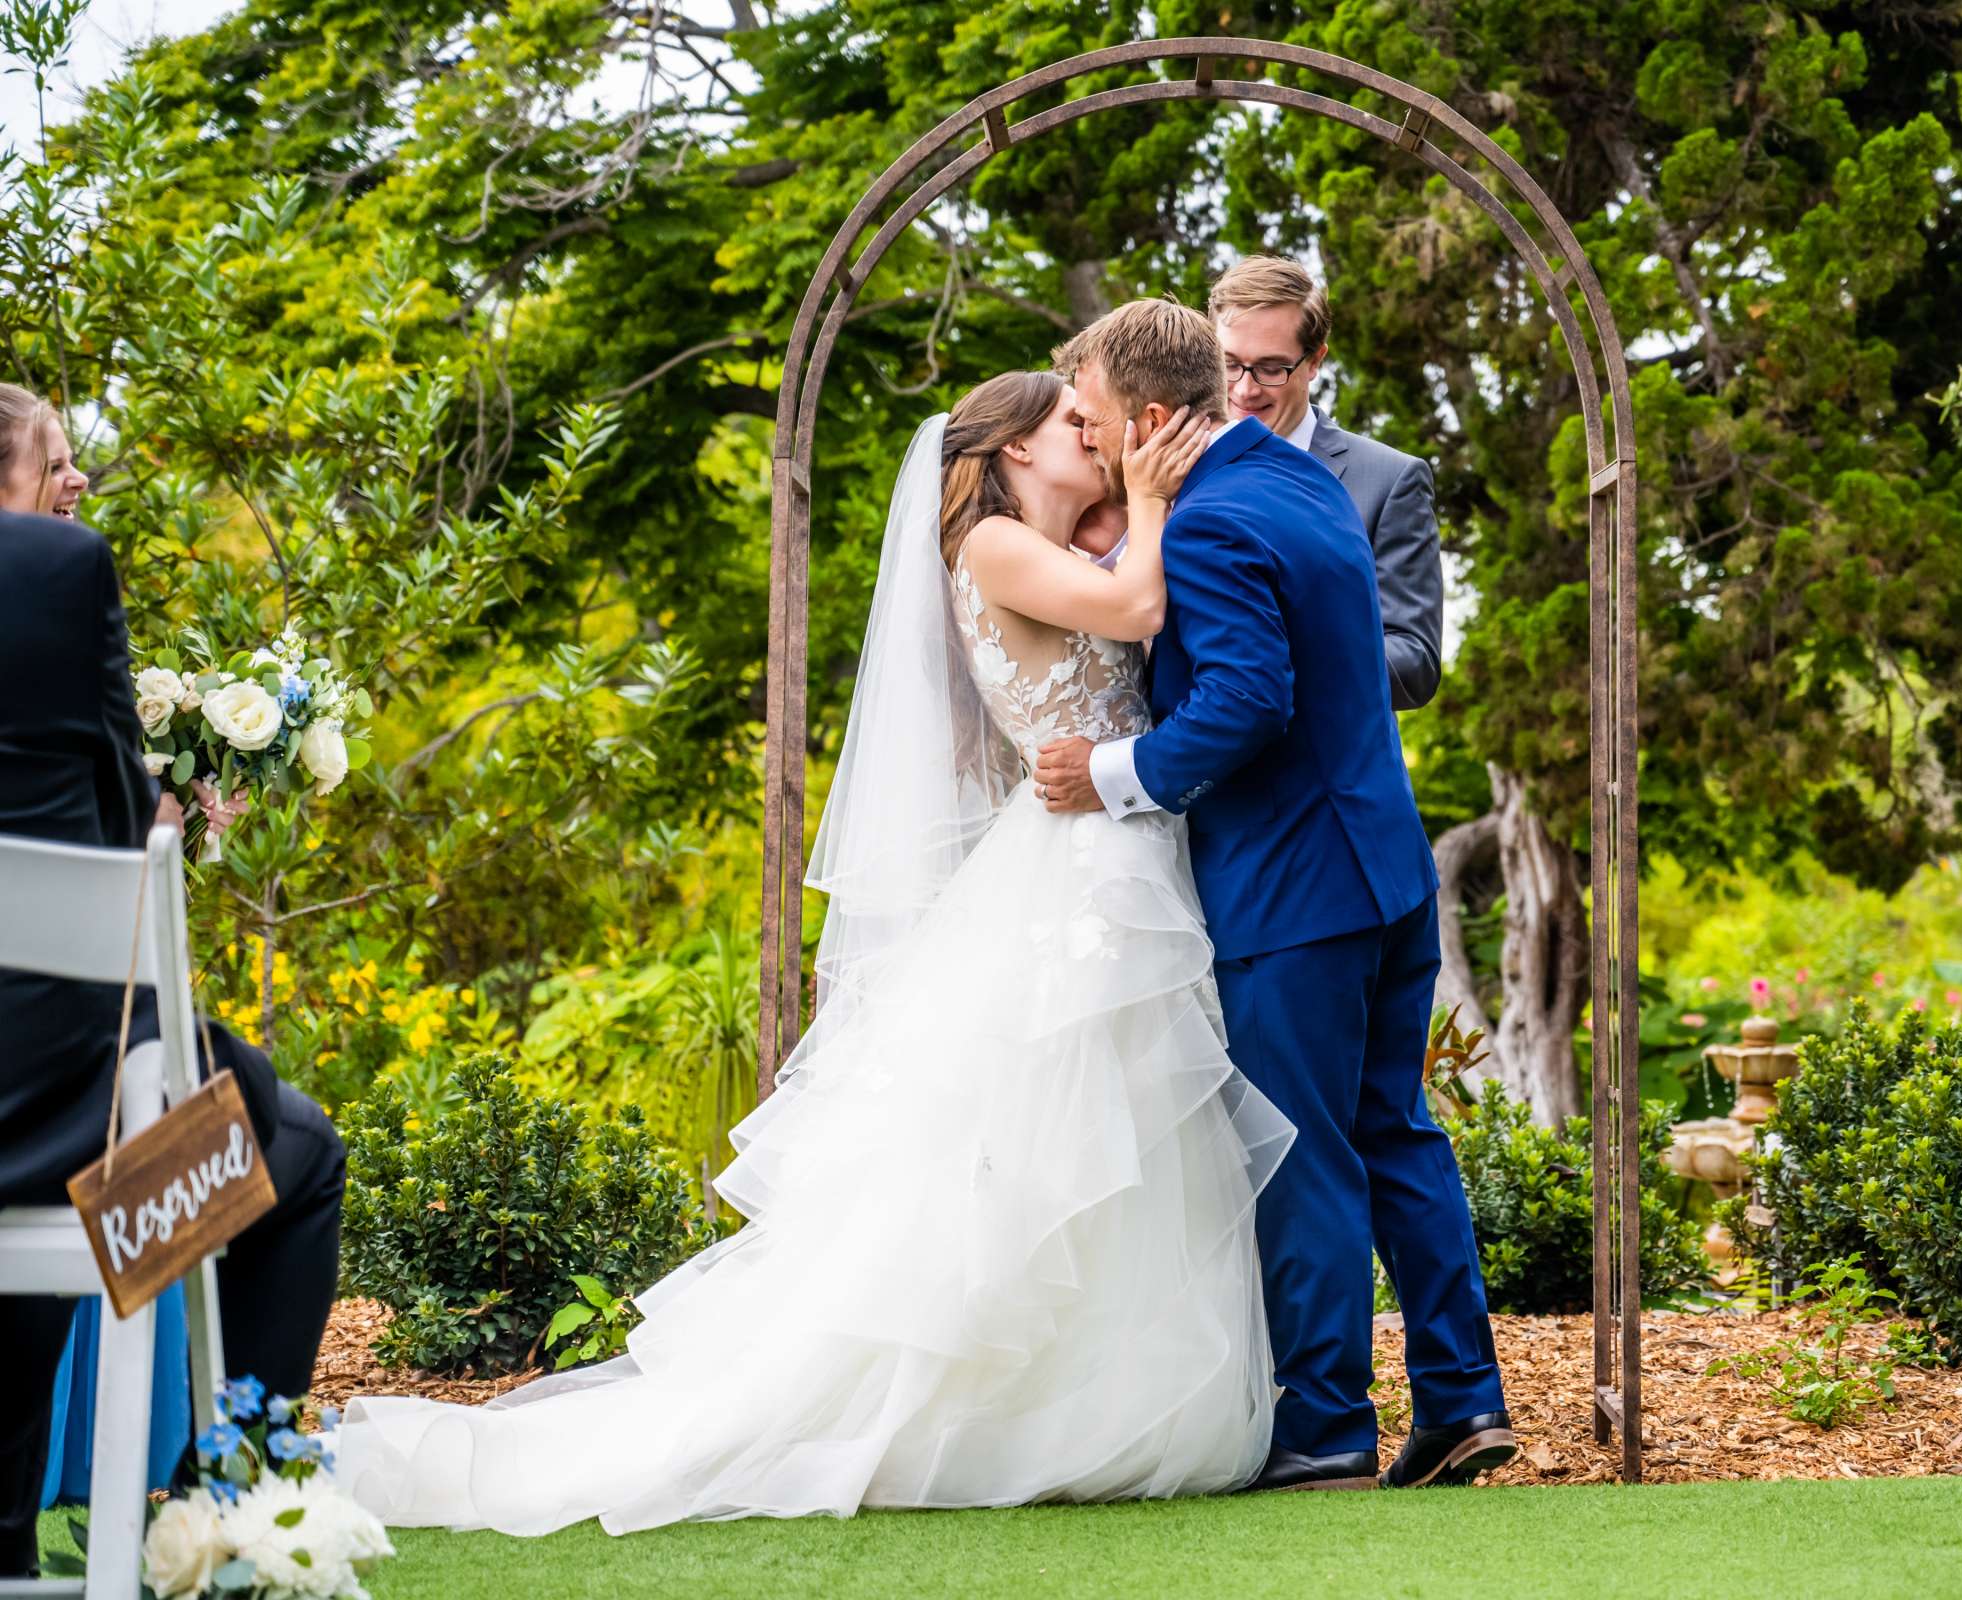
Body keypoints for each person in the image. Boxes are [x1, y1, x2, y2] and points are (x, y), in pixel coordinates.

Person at [335, 371, 1295, 1533]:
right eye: (1066, 426)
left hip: (1105, 854)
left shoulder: (1051, 542)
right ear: (1008, 450)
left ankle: (1103, 1393)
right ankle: (1016, 1406)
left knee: (1118, 1126)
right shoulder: (991, 543)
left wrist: (1125, 508)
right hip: (1079, 869)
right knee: (1062, 1124)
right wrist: (1145, 497)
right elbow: (1140, 613)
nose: (1089, 439)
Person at [1035, 300, 1512, 1492]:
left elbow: (1245, 703)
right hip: (1384, 872)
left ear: (1147, 418)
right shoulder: (1295, 483)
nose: (1082, 434)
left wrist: (1104, 774)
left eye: (1090, 417)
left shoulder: (1208, 525)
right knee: (1394, 1131)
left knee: (1301, 1150)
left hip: (1294, 889)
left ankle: (1325, 1424)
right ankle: (1460, 1402)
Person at [0, 384, 347, 1579]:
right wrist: (170, 813)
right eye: (55, 458)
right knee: (293, 1158)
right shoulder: (52, 572)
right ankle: (209, 1523)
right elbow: (100, 843)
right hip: (64, 1122)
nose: (75, 482)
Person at [1209, 254, 1444, 711]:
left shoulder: (1390, 480)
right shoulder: (1167, 465)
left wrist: (1270, 661)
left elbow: (1414, 663)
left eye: (1272, 369)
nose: (1243, 390)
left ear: (1315, 361)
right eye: (1229, 363)